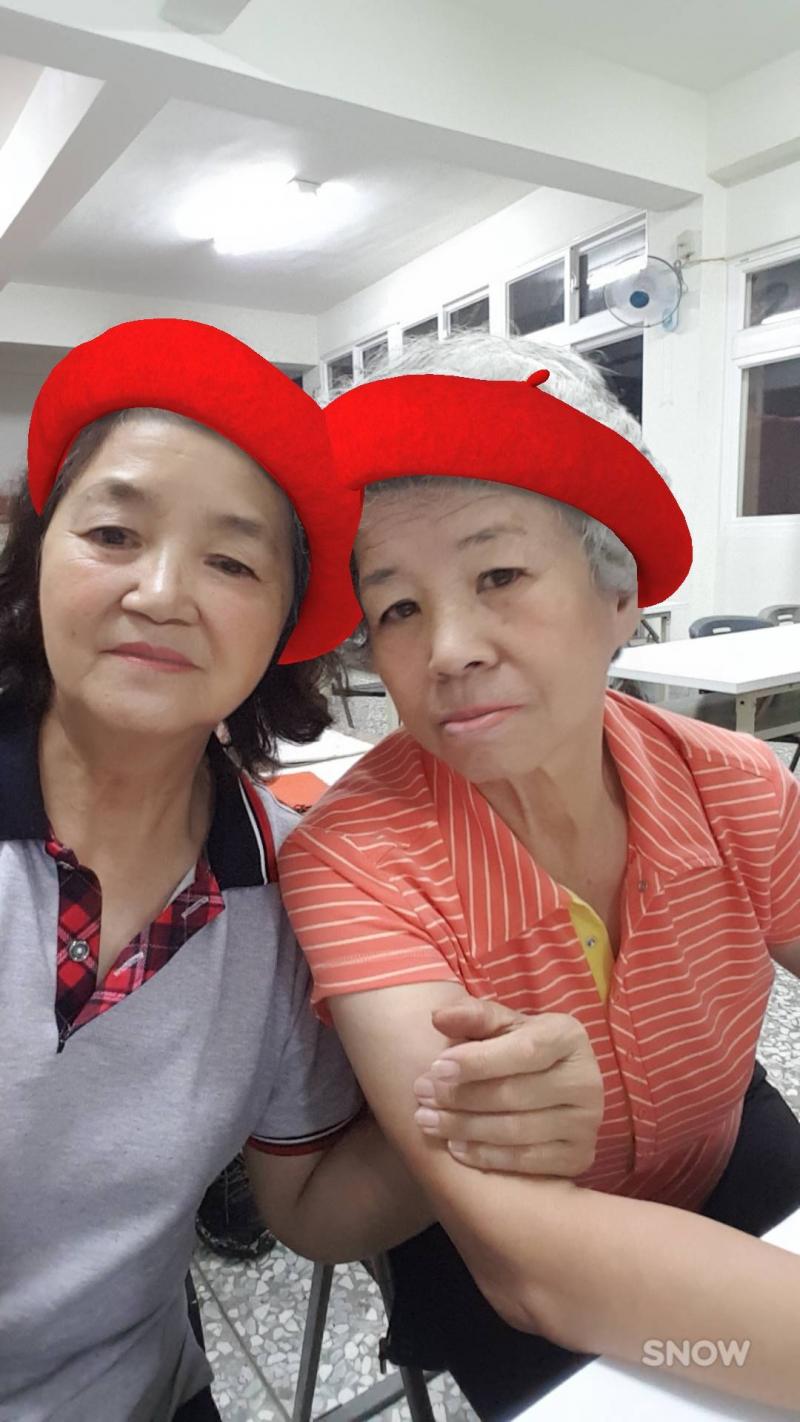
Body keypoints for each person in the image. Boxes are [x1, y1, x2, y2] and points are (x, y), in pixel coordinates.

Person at [0, 320, 609, 1422]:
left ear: (285, 624)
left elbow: (311, 1210)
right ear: (37, 557)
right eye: (114, 533)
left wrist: (474, 1116)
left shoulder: (293, 889)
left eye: (232, 561)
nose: (162, 592)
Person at [277, 332, 800, 1418]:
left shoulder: (737, 784)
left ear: (617, 596)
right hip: (514, 1264)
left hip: (721, 1149)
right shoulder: (352, 860)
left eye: (499, 574)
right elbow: (530, 1263)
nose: (449, 647)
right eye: (397, 607)